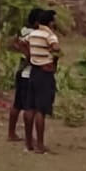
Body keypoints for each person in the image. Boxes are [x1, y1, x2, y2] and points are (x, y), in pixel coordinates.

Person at [21, 9, 60, 153]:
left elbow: (21, 42)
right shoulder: (50, 35)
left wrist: (30, 56)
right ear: (50, 22)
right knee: (41, 109)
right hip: (45, 72)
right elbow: (56, 48)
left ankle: (28, 143)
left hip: (34, 71)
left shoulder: (33, 33)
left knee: (30, 107)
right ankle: (40, 145)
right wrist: (52, 54)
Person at [8, 7, 41, 143]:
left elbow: (14, 43)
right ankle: (29, 137)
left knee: (17, 104)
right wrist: (29, 58)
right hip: (29, 73)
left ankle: (11, 133)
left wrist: (22, 51)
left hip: (22, 72)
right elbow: (30, 52)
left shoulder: (23, 30)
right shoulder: (34, 34)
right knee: (30, 107)